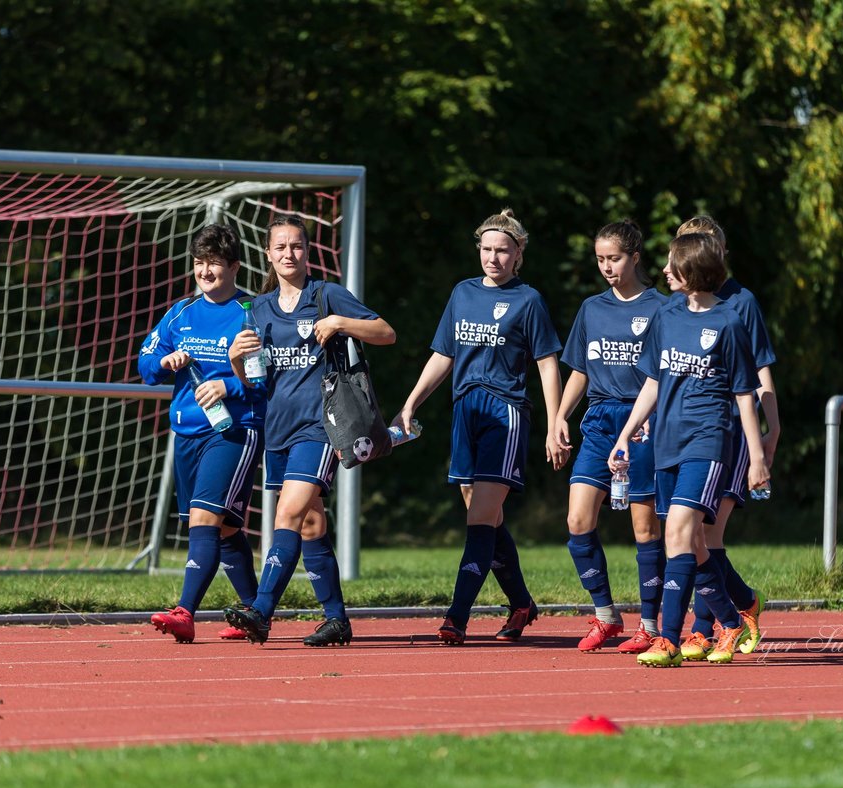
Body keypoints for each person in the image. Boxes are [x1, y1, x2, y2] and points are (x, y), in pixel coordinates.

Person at [392, 208, 564, 645]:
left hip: (505, 413)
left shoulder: (529, 300)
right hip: (465, 411)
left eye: (502, 250)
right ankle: (522, 603)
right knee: (486, 517)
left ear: (518, 253)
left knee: (479, 519)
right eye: (486, 249)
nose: (493, 257)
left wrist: (554, 421)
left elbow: (547, 364)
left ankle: (457, 616)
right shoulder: (463, 293)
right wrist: (411, 402)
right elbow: (444, 356)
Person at [224, 213, 395, 647]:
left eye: (296, 245)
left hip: (322, 425)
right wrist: (236, 361)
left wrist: (341, 323)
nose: (288, 253)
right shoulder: (258, 308)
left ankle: (261, 610)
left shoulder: (326, 295)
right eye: (280, 247)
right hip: (278, 427)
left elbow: (385, 332)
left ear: (308, 250)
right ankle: (337, 619)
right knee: (310, 523)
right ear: (268, 254)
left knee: (287, 514)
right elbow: (256, 380)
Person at [610, 232, 769, 667]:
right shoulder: (667, 315)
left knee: (680, 531)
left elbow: (743, 395)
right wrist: (627, 432)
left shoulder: (730, 322)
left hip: (708, 441)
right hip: (666, 443)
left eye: (672, 264)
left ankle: (668, 640)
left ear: (694, 271)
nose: (663, 271)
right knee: (691, 544)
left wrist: (757, 457)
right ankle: (732, 620)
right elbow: (654, 381)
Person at [139, 223, 265, 643]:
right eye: (198, 263)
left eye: (213, 263)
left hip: (234, 430)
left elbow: (268, 380)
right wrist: (165, 362)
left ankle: (184, 612)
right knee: (227, 528)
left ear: (233, 265)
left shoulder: (253, 311)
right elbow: (146, 367)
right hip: (188, 430)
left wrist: (227, 385)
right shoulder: (181, 311)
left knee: (205, 518)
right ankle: (255, 611)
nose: (205, 271)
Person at [554, 220, 668, 652]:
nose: (606, 267)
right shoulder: (591, 308)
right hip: (600, 421)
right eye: (600, 259)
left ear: (635, 257)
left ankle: (651, 625)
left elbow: (665, 374)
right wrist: (561, 416)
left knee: (644, 527)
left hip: (641, 423)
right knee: (577, 521)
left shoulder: (661, 307)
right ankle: (605, 615)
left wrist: (649, 419)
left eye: (614, 258)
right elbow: (580, 370)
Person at [672, 215, 780, 660]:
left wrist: (772, 430)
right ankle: (739, 605)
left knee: (705, 534)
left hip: (731, 431)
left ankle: (705, 627)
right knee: (692, 536)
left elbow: (760, 370)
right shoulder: (677, 305)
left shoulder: (741, 303)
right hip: (685, 432)